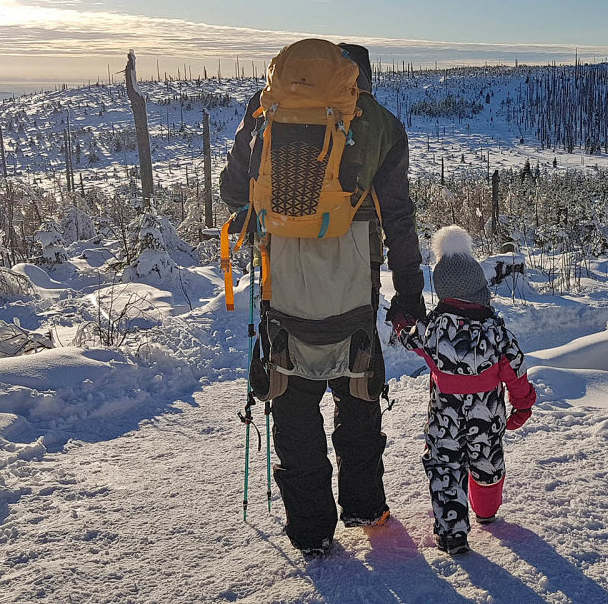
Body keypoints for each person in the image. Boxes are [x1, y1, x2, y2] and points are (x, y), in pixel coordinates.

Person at [218, 40, 425, 557]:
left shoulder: (267, 110)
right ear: (359, 79)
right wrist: (409, 295)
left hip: (282, 285)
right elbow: (397, 216)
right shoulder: (379, 124)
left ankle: (311, 531)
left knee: (292, 407)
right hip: (353, 284)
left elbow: (232, 190)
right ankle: (363, 506)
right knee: (357, 399)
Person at [392, 225, 535, 555]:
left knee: (445, 468)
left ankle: (452, 532)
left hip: (444, 419)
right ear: (479, 289)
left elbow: (408, 337)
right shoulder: (496, 331)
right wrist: (523, 404)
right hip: (487, 416)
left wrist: (400, 318)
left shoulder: (432, 328)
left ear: (443, 290)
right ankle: (486, 512)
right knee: (487, 460)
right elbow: (516, 368)